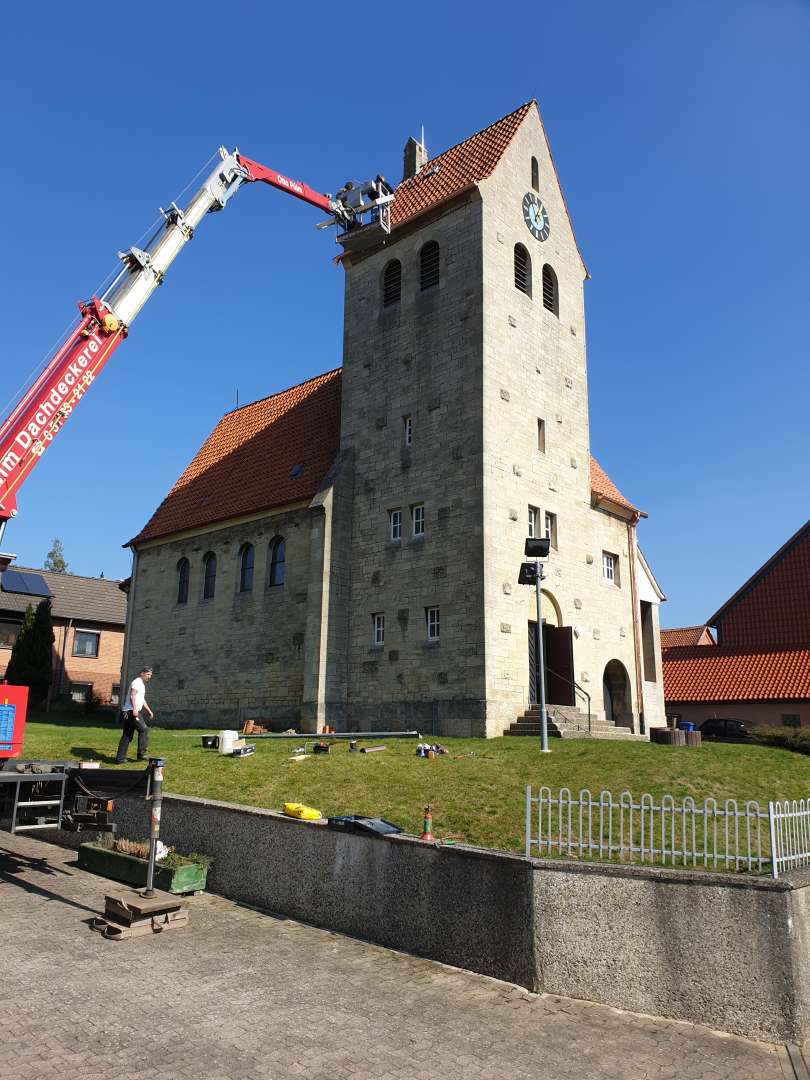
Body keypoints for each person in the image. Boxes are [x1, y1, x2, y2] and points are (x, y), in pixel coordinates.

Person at [115, 666, 154, 764]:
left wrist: (149, 710)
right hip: (130, 711)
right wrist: (135, 708)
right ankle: (141, 754)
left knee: (127, 735)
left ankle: (120, 759)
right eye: (148, 674)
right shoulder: (137, 682)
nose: (149, 677)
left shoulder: (141, 684)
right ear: (142, 673)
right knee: (144, 729)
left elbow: (142, 699)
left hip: (128, 711)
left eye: (150, 675)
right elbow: (132, 695)